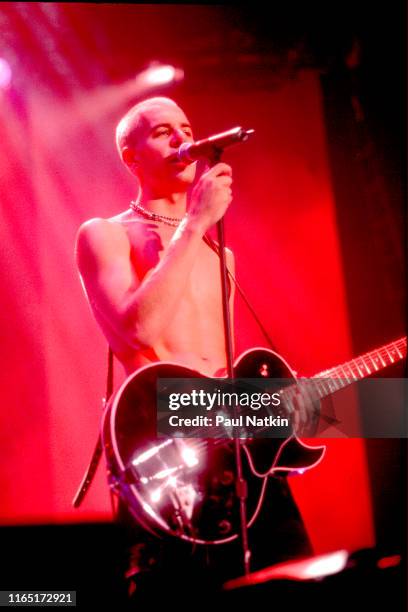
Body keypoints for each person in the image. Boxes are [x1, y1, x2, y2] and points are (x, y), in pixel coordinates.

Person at [75, 96, 312, 604]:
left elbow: (222, 370)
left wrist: (275, 416)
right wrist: (192, 225)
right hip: (166, 454)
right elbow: (138, 331)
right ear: (130, 156)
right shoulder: (104, 235)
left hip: (234, 452)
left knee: (296, 580)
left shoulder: (218, 251)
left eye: (186, 127)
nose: (182, 139)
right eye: (163, 132)